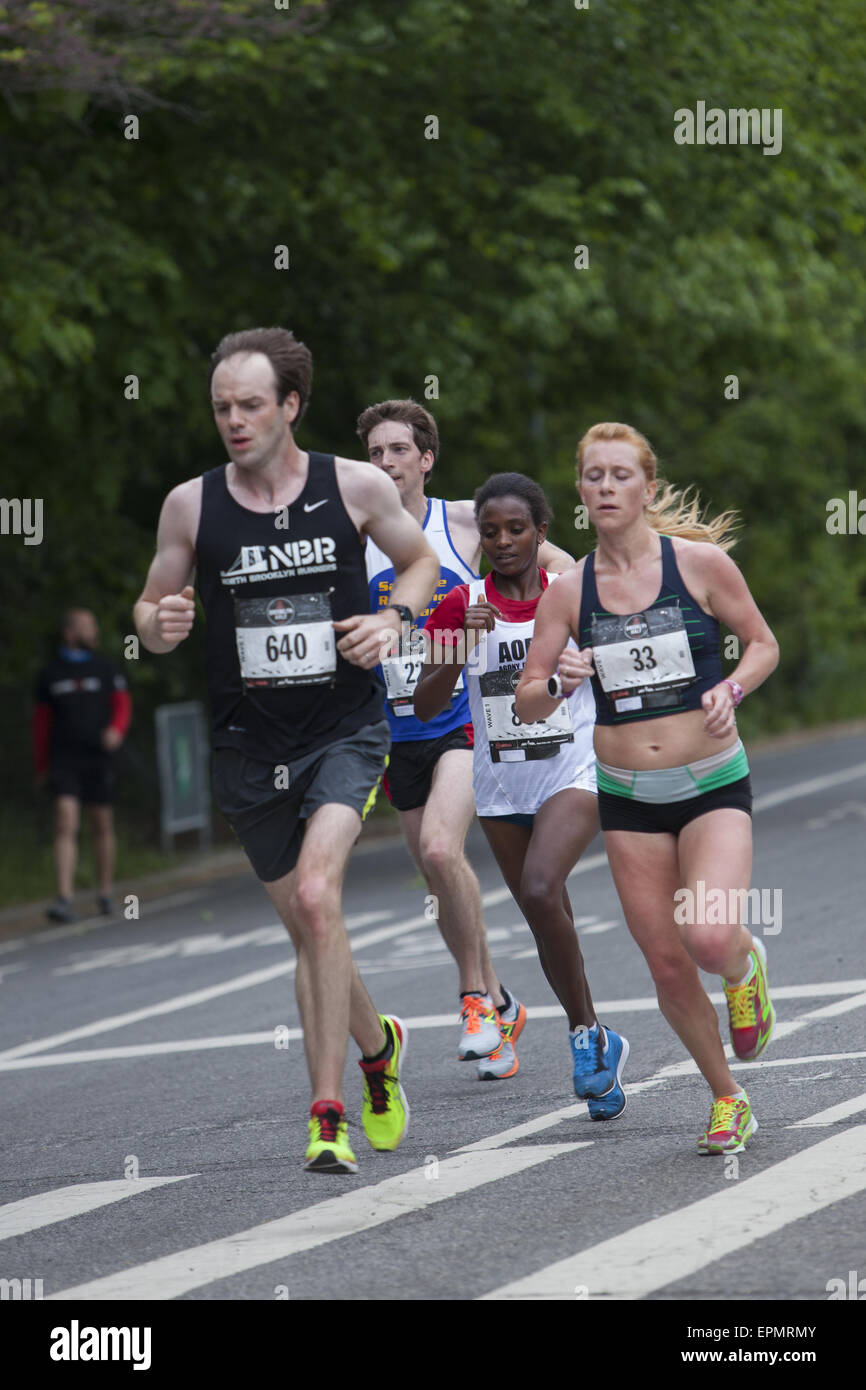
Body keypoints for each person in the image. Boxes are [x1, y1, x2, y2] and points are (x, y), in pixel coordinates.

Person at [134, 328, 439, 1174]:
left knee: (316, 893)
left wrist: (392, 618)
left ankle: (327, 1111)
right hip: (246, 746)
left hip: (344, 727)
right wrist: (155, 625)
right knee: (314, 928)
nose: (233, 421)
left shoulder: (354, 484)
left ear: (290, 405)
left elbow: (418, 566)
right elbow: (152, 608)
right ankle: (380, 1050)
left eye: (250, 405)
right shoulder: (191, 506)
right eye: (221, 407)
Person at [515, 422, 779, 1154]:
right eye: (593, 476)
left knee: (708, 936)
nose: (605, 487)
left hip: (711, 781)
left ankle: (741, 964)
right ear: (580, 491)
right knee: (664, 960)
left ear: (648, 488)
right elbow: (528, 696)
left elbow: (763, 643)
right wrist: (557, 680)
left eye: (620, 475)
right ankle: (728, 1098)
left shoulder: (699, 566)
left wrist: (731, 687)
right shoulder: (568, 593)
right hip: (628, 794)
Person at [358, 399, 574, 1078]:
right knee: (436, 873)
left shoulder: (461, 524)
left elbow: (560, 569)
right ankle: (502, 999)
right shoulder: (350, 534)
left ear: (426, 459)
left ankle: (475, 1000)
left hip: (462, 717)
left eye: (398, 451)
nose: (385, 464)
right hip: (398, 723)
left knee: (439, 846)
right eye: (374, 453)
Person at [413, 472, 628, 1108]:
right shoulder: (460, 605)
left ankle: (585, 1033)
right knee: (544, 912)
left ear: (541, 531)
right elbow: (426, 705)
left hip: (572, 769)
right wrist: (459, 647)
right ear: (478, 538)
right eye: (490, 532)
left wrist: (585, 666)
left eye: (516, 529)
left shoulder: (571, 596)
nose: (503, 542)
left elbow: (617, 667)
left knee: (539, 887)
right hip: (501, 782)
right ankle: (592, 1034)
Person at [33, 607, 132, 923]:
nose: (94, 632)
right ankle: (64, 897)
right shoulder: (50, 674)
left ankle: (105, 892)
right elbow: (41, 722)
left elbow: (122, 704)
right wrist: (41, 765)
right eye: (87, 627)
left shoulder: (105, 668)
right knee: (65, 821)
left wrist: (116, 730)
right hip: (64, 758)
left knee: (102, 822)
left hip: (98, 757)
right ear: (70, 633)